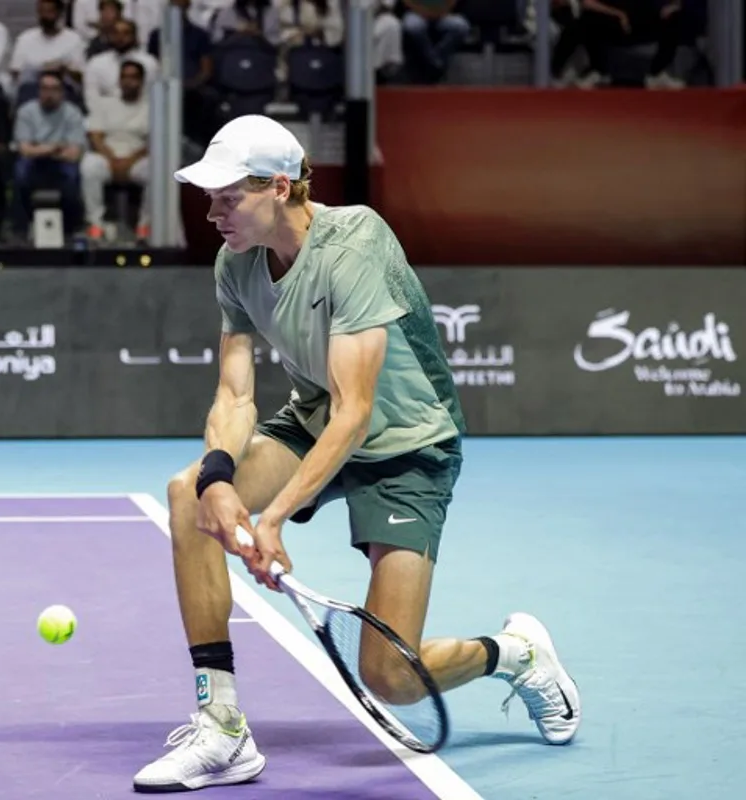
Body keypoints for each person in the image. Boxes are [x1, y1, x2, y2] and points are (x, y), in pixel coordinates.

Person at [131, 115, 582, 794]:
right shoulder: (235, 262)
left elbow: (356, 410)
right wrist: (220, 478)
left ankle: (514, 653)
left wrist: (273, 519)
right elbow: (234, 392)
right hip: (313, 423)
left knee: (391, 677)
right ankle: (221, 724)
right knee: (187, 491)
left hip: (408, 447)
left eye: (228, 197)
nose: (212, 211)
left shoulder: (355, 241)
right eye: (209, 196)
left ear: (279, 187)